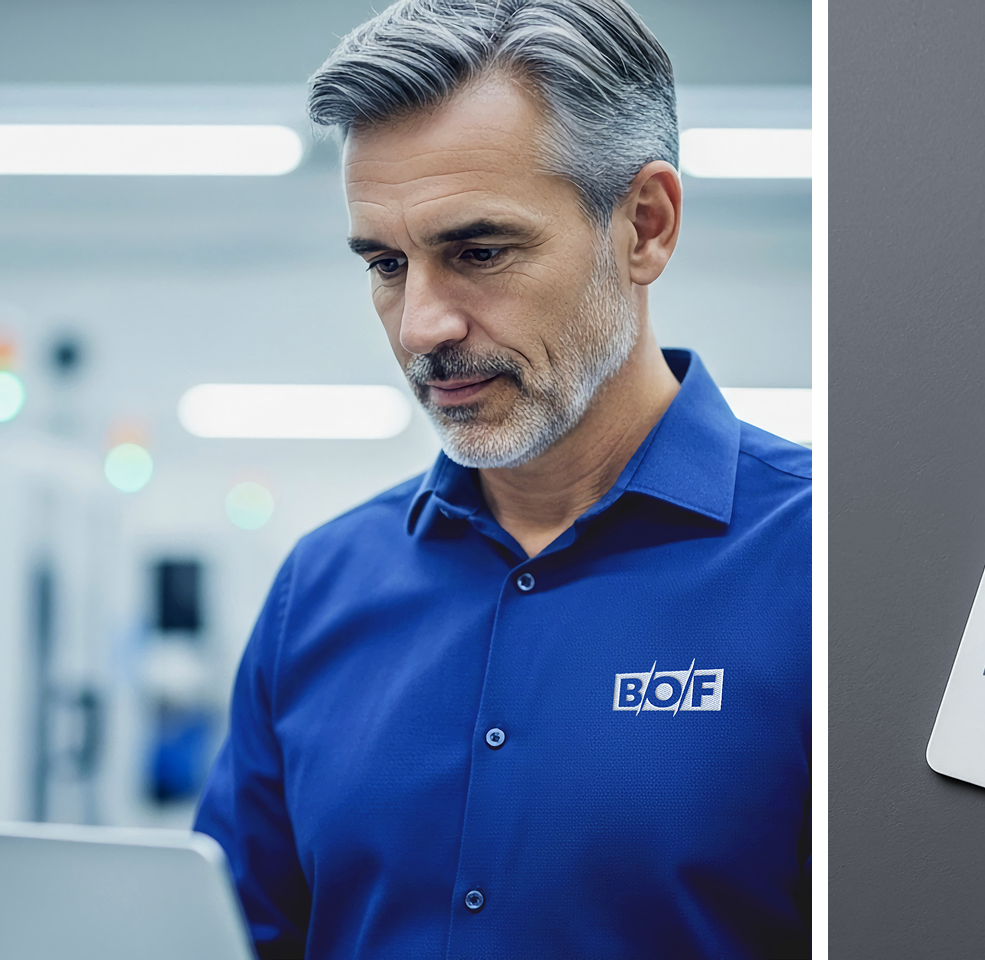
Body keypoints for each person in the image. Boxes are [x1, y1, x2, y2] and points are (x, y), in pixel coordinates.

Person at [192, 1, 812, 957]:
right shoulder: (319, 591)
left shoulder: (830, 568)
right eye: (387, 265)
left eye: (478, 252)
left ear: (644, 226)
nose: (420, 327)